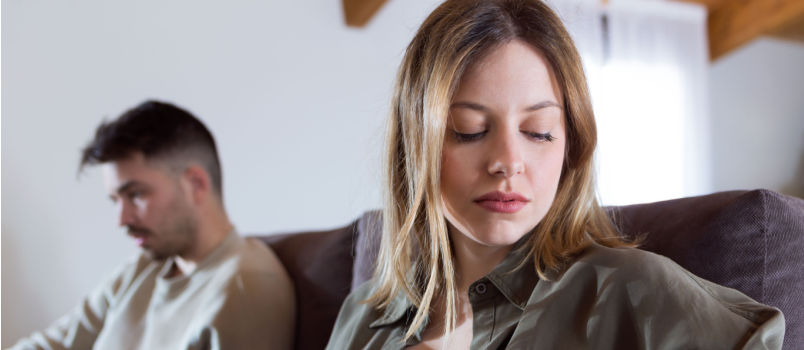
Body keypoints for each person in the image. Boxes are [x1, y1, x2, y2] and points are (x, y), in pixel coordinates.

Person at [326, 0, 784, 349]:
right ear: (415, 144)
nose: (508, 161)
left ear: (572, 145)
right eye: (468, 131)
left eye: (538, 132)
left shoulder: (634, 288)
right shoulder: (362, 317)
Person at [9, 101, 295, 349]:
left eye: (136, 194)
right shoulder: (143, 269)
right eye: (115, 200)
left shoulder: (243, 289)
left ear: (195, 184)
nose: (122, 220)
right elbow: (52, 344)